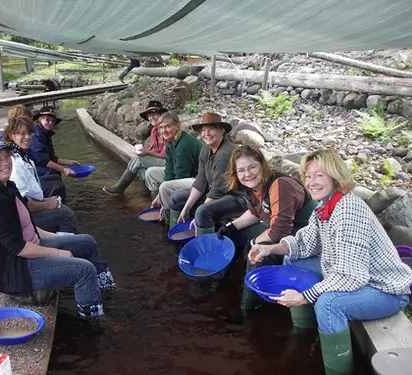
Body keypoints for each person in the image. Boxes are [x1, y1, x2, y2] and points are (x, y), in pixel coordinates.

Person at [249, 149, 412, 375]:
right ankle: (303, 333)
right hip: (358, 276)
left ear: (335, 177)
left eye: (319, 176)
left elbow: (350, 276)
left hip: (384, 290)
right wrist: (270, 248)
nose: (311, 182)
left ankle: (337, 369)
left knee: (328, 303)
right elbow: (303, 244)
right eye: (308, 176)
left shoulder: (348, 210)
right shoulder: (326, 207)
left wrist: (305, 296)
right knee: (292, 260)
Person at [0, 139, 115, 318]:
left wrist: (56, 239)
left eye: (6, 156)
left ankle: (107, 291)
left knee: (87, 242)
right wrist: (58, 253)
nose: (5, 162)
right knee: (84, 270)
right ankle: (94, 319)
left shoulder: (7, 187)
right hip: (12, 269)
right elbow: (18, 248)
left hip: (28, 246)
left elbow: (27, 225)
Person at [217, 146, 316, 313]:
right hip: (283, 233)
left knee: (256, 255)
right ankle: (225, 281)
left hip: (303, 239)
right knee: (236, 234)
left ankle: (248, 308)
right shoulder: (252, 186)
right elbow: (256, 213)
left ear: (262, 165)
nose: (247, 174)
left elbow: (279, 230)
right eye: (241, 170)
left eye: (252, 167)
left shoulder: (280, 185)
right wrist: (230, 227)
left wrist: (255, 242)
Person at [3, 116, 77, 234]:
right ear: (12, 136)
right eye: (22, 134)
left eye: (29, 133)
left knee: (61, 204)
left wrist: (46, 200)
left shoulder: (22, 154)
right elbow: (23, 202)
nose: (27, 137)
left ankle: (61, 240)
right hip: (24, 218)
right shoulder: (16, 163)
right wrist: (47, 204)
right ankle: (61, 248)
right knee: (66, 215)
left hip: (30, 205)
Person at [172, 113, 236, 235]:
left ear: (222, 130)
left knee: (202, 212)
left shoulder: (225, 154)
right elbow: (201, 180)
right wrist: (186, 209)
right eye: (203, 130)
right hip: (214, 190)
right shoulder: (206, 149)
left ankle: (202, 244)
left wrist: (197, 217)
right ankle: (175, 233)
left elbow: (217, 190)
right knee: (176, 198)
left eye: (211, 129)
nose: (206, 134)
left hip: (235, 196)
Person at [102, 100, 167, 197]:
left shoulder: (166, 129)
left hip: (169, 162)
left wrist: (147, 153)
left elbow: (165, 155)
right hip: (160, 161)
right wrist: (144, 153)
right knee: (140, 170)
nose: (151, 117)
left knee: (138, 160)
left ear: (162, 115)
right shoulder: (154, 130)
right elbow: (154, 150)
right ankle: (153, 194)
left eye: (155, 114)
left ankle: (120, 187)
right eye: (149, 115)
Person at [148, 112, 202, 226]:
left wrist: (164, 199)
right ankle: (158, 205)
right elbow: (169, 170)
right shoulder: (171, 143)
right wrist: (159, 197)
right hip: (187, 176)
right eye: (161, 127)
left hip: (198, 180)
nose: (164, 131)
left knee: (165, 187)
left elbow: (181, 174)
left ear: (177, 126)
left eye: (168, 126)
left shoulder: (184, 145)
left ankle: (171, 221)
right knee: (151, 173)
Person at [28, 106, 79, 201]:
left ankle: (57, 199)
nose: (50, 123)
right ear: (40, 119)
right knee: (53, 173)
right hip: (32, 167)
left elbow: (51, 157)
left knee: (55, 172)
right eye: (47, 120)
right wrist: (64, 170)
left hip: (38, 164)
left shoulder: (46, 133)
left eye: (53, 121)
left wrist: (69, 162)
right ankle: (56, 201)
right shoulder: (36, 134)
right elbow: (44, 161)